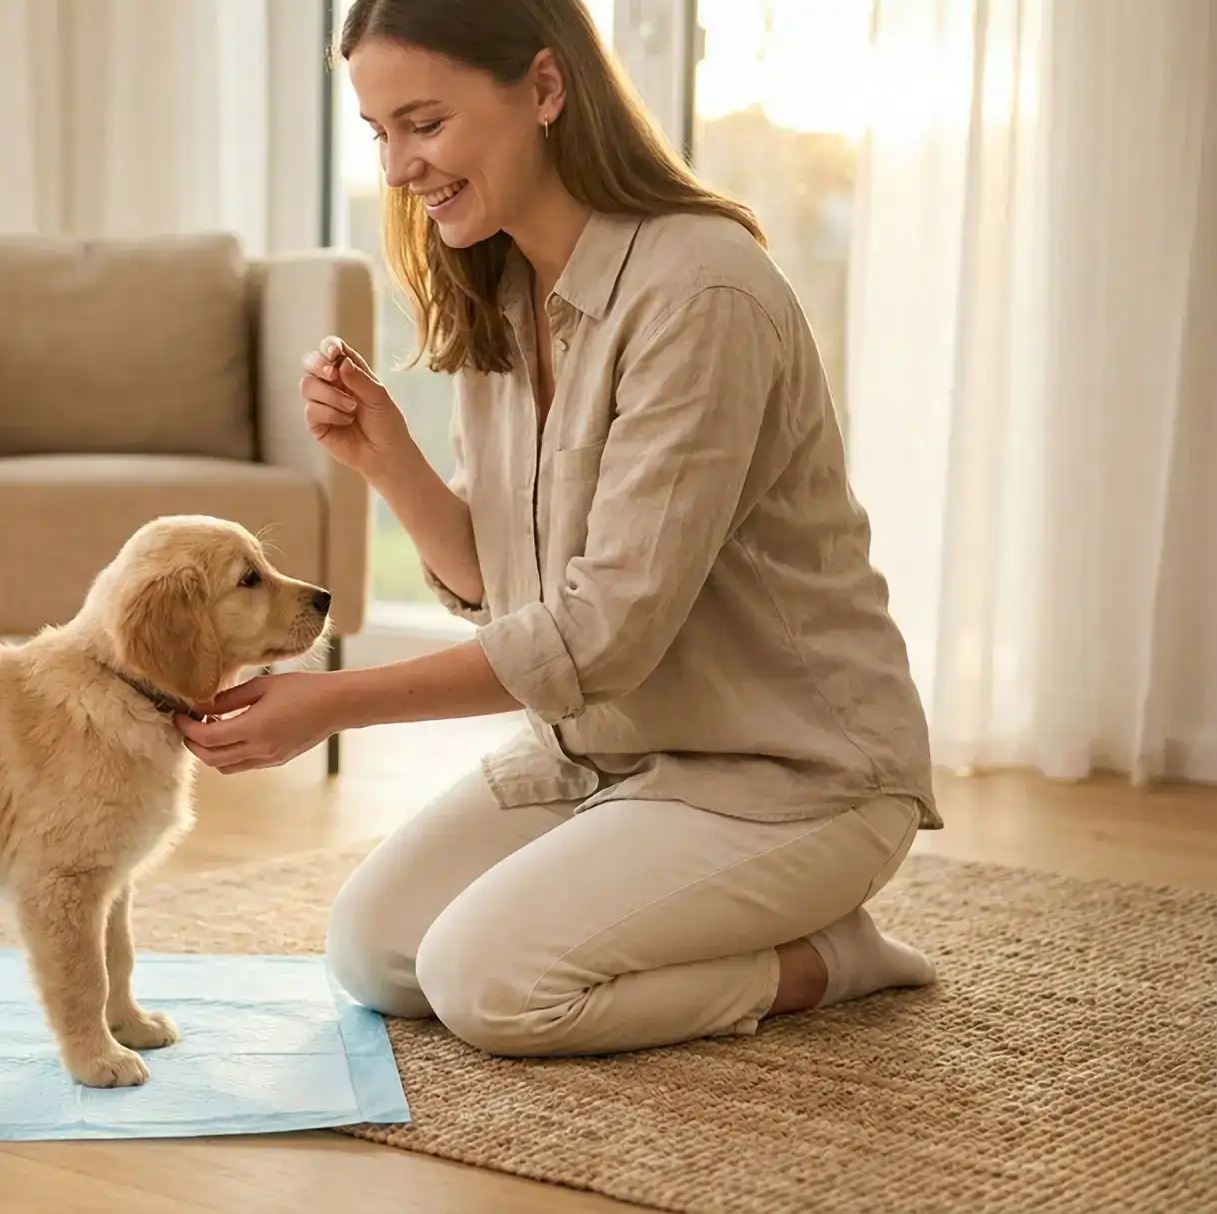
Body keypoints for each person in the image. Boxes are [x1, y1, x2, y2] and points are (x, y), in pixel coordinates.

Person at [173, 0, 943, 1058]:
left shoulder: (701, 291)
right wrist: (385, 457)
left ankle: (828, 957)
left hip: (790, 777)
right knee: (373, 954)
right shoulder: (499, 286)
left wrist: (334, 703)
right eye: (379, 131)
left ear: (543, 89)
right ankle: (689, 905)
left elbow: (601, 635)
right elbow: (508, 591)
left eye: (424, 123)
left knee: (488, 985)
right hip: (604, 761)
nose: (399, 166)